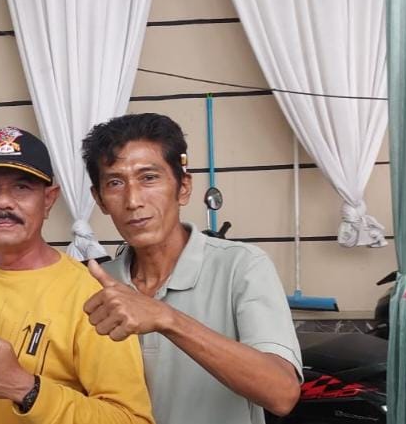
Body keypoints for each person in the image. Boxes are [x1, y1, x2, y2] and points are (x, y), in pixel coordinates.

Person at [80, 112, 301, 424]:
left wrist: (167, 318)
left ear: (183, 187)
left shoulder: (242, 266)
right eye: (115, 183)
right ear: (100, 200)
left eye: (149, 178)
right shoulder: (92, 284)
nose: (133, 200)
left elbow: (282, 394)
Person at [0, 126, 153, 424]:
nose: (3, 202)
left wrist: (27, 389)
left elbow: (131, 419)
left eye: (22, 187)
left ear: (49, 199)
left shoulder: (91, 298)